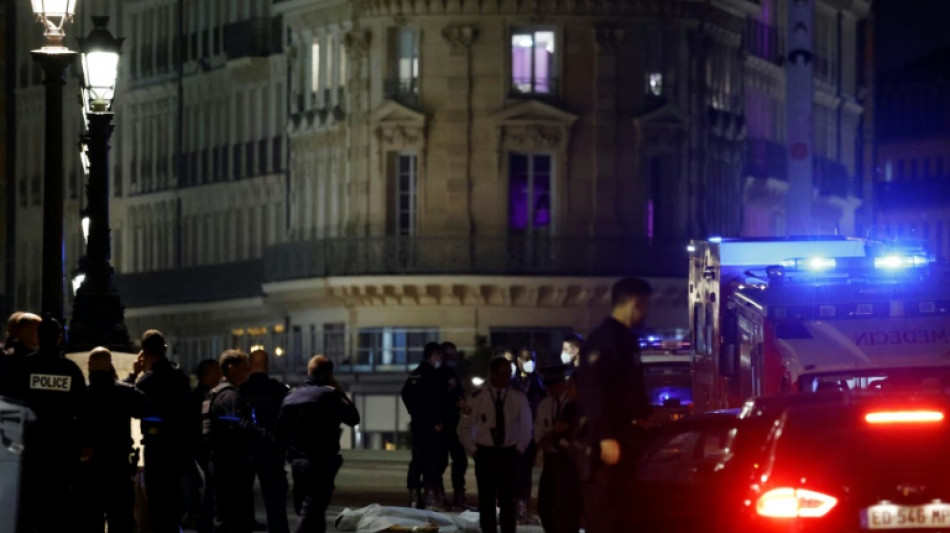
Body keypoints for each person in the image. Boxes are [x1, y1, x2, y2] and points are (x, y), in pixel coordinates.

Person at [574, 276, 653, 533]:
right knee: (607, 519)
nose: (647, 312)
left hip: (624, 439)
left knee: (623, 517)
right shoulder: (606, 339)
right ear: (636, 303)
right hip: (606, 447)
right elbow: (593, 390)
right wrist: (606, 436)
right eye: (646, 305)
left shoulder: (625, 339)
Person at [8, 315, 88, 533]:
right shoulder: (70, 370)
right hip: (61, 450)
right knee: (58, 510)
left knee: (29, 510)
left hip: (30, 449)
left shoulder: (23, 367)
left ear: (39, 337)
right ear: (59, 339)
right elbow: (83, 410)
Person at [277, 355, 360, 533]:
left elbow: (280, 430)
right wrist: (338, 389)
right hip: (321, 462)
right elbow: (353, 418)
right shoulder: (328, 395)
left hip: (296, 462)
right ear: (328, 374)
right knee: (312, 510)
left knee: (308, 511)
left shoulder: (290, 396)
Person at [128, 329, 193, 533]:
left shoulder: (145, 382)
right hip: (177, 448)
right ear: (165, 349)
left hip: (155, 449)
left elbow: (127, 402)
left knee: (156, 506)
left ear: (143, 353)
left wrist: (134, 373)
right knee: (174, 505)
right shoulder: (180, 378)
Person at [458, 356, 532, 533]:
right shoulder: (477, 397)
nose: (506, 378)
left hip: (509, 453)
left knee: (508, 500)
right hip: (485, 453)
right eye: (502, 374)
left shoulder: (517, 397)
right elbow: (463, 428)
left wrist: (519, 450)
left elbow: (526, 426)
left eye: (508, 374)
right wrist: (474, 451)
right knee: (486, 499)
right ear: (492, 374)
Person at [82, 347, 148, 533]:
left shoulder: (82, 395)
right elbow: (144, 407)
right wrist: (134, 377)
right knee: (121, 521)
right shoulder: (124, 393)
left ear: (88, 366)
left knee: (90, 520)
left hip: (90, 469)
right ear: (110, 366)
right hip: (118, 467)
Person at [205, 350, 258, 533]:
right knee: (235, 519)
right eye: (244, 366)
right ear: (231, 368)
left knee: (224, 516)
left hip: (221, 464)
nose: (248, 370)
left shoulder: (215, 393)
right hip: (233, 467)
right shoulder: (230, 396)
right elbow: (238, 429)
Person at [241, 348, 291, 533]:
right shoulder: (279, 390)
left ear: (248, 366)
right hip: (271, 450)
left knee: (243, 500)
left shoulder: (240, 390)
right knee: (275, 503)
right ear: (268, 366)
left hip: (245, 451)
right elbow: (287, 421)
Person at [535, 366, 581, 533]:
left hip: (570, 461)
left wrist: (554, 437)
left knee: (567, 510)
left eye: (554, 384)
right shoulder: (545, 404)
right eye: (547, 384)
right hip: (553, 461)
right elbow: (540, 437)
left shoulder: (573, 405)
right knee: (545, 506)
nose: (550, 388)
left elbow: (561, 434)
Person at [400, 342, 446, 509]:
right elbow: (434, 402)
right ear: (432, 355)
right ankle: (429, 494)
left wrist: (414, 412)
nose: (440, 359)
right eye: (439, 356)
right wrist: (436, 421)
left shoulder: (415, 374)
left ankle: (414, 493)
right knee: (432, 459)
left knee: (417, 458)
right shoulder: (432, 375)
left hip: (418, 423)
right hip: (431, 425)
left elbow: (405, 394)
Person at [513, 347, 545, 524]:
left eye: (532, 358)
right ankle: (512, 508)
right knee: (513, 473)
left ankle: (522, 508)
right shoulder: (512, 383)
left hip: (530, 433)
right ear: (518, 360)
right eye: (526, 358)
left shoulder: (537, 382)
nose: (529, 362)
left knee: (525, 472)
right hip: (513, 435)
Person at [437, 341, 471, 510]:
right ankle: (438, 494)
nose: (451, 357)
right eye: (448, 354)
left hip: (454, 425)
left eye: (453, 354)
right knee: (440, 462)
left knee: (460, 461)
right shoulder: (438, 374)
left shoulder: (455, 374)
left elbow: (459, 395)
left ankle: (459, 494)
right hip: (442, 425)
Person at [191, 359, 223, 533]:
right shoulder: (207, 397)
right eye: (217, 371)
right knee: (209, 490)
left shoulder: (197, 396)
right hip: (204, 450)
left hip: (200, 449)